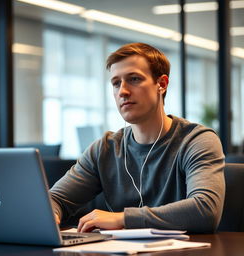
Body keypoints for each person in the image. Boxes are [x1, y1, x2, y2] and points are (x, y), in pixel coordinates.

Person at [50, 42, 225, 233]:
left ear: (162, 84)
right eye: (116, 83)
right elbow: (55, 199)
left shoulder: (196, 141)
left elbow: (205, 210)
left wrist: (123, 218)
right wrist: (51, 214)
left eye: (134, 79)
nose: (123, 91)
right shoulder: (104, 149)